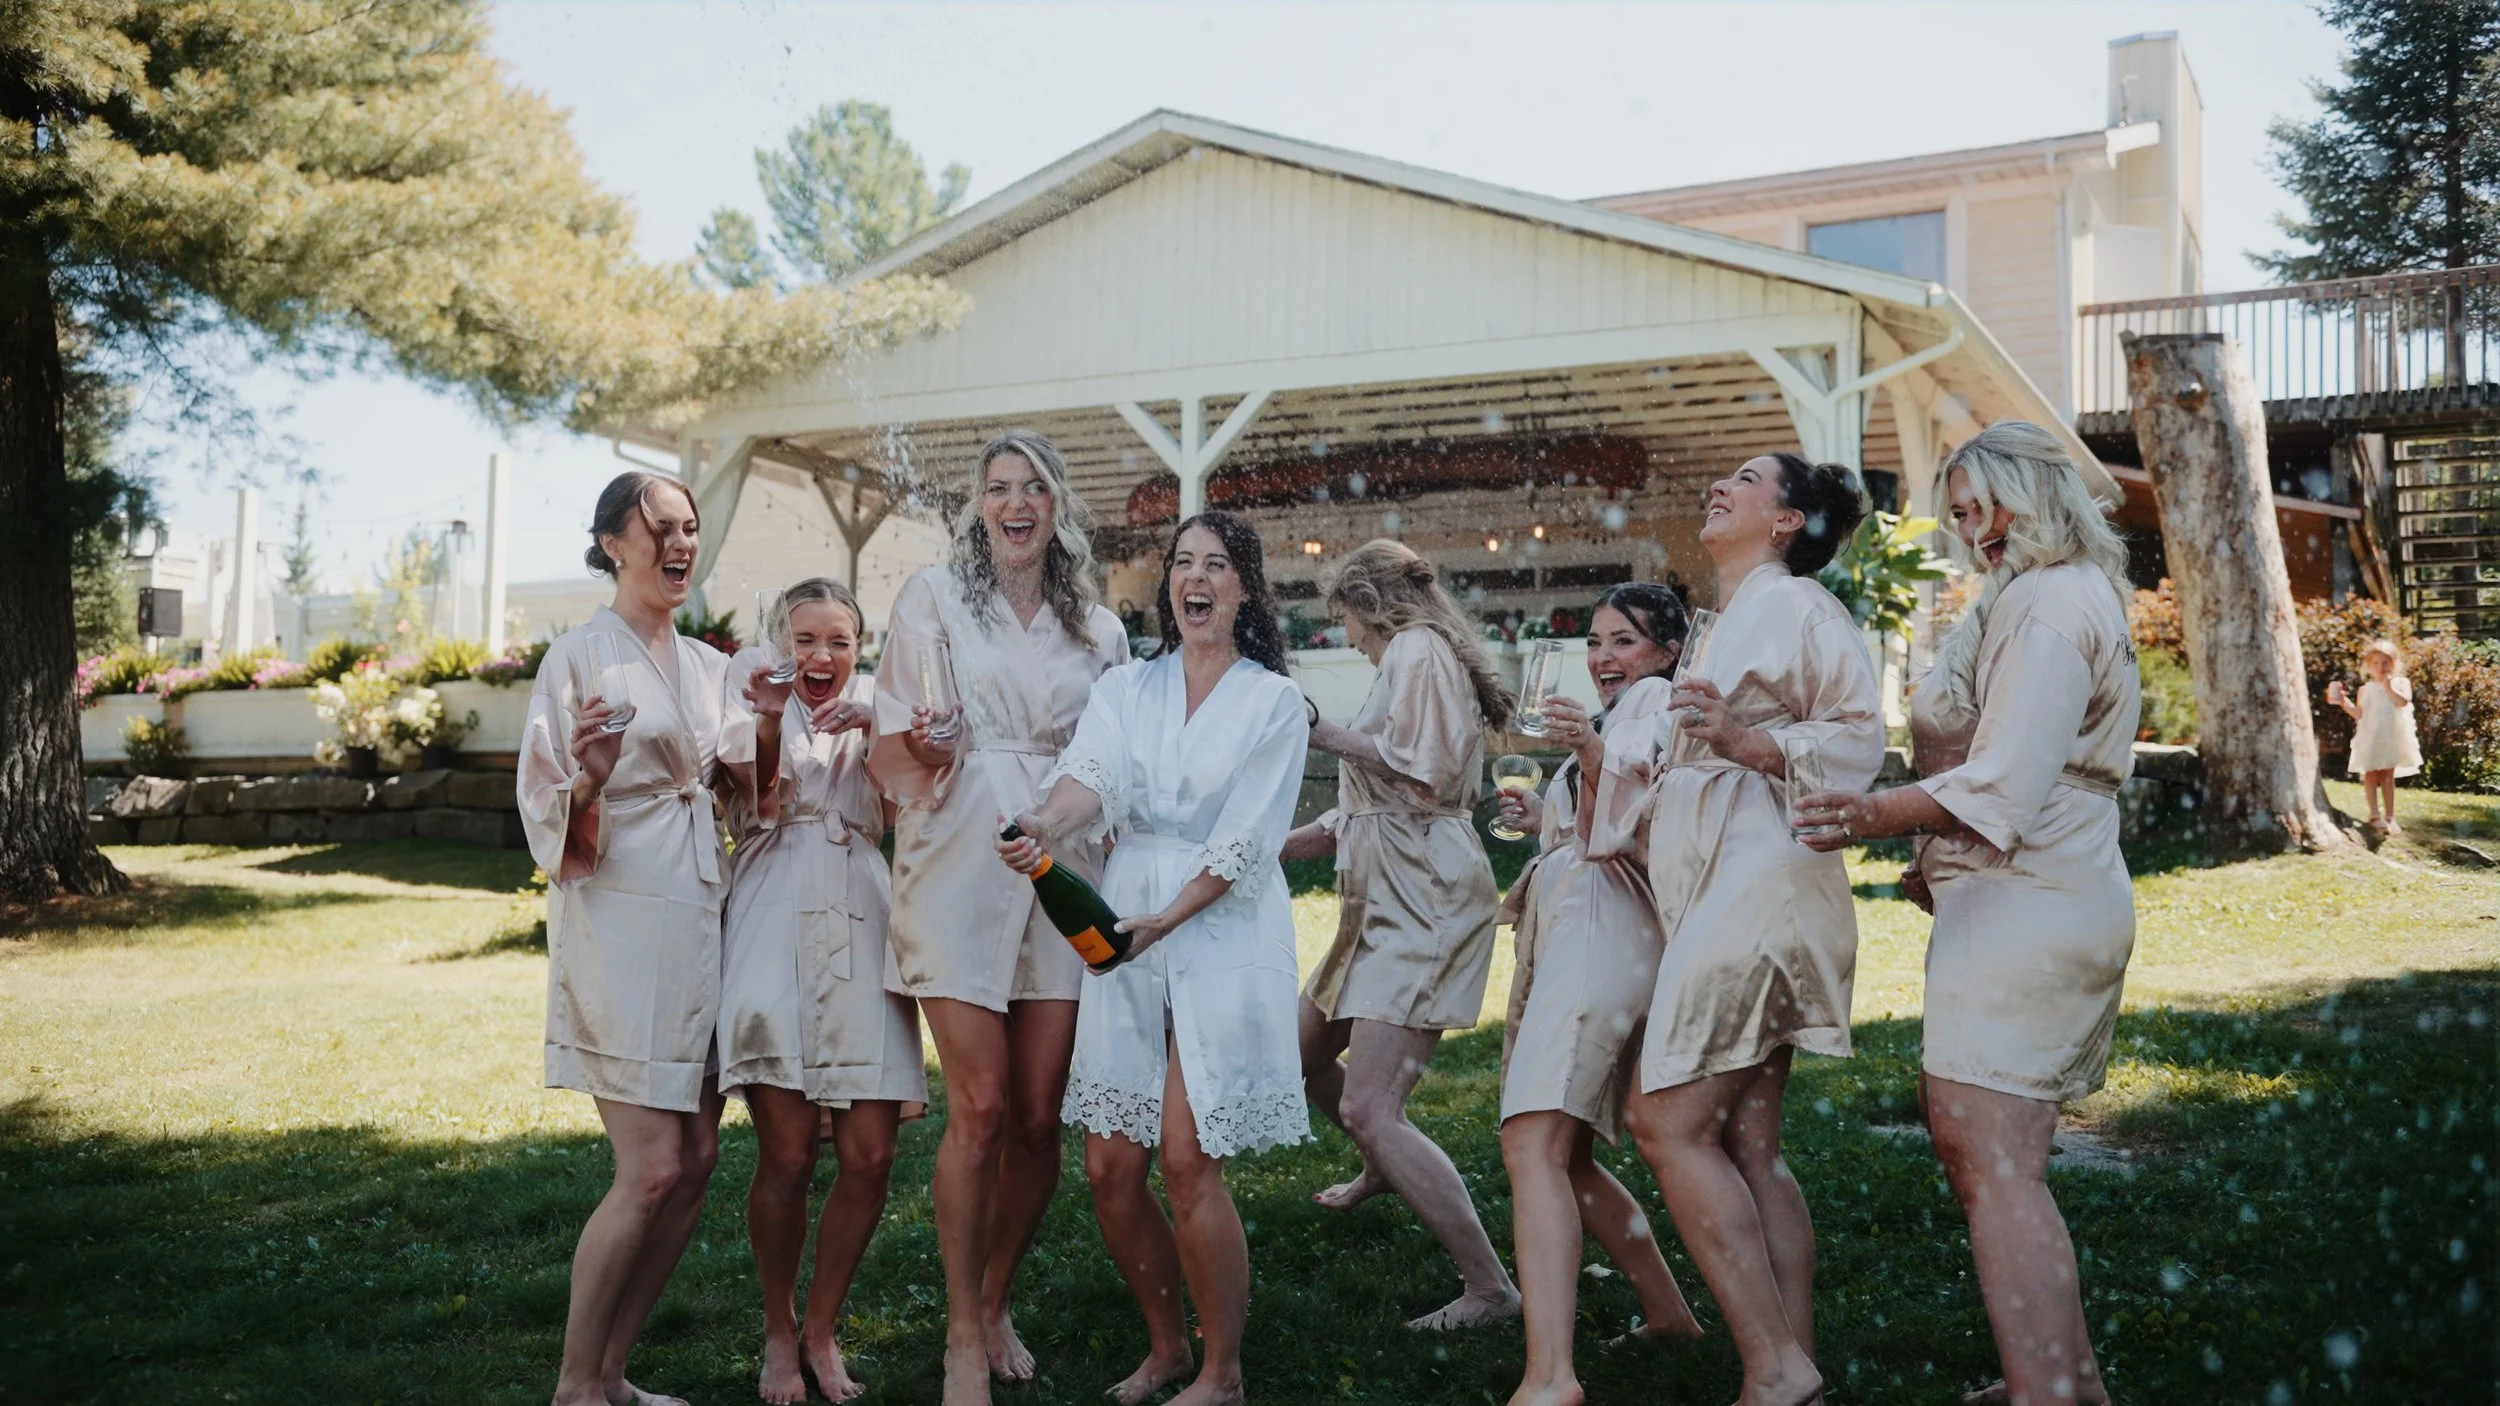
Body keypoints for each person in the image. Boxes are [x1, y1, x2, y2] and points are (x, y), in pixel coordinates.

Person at [1793, 420, 2140, 1406]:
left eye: (1979, 505)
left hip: (2034, 897)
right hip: (2018, 889)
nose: (1965, 527)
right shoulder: (2034, 593)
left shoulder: (2042, 601)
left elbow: (2006, 780)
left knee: (1989, 1156)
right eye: (1954, 512)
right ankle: (2066, 1377)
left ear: (2030, 495)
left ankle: (2044, 1390)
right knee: (1997, 1155)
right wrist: (1930, 854)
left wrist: (1871, 814)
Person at [997, 510, 1312, 1406]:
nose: (1195, 578)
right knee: (1108, 1166)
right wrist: (1040, 827)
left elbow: (1249, 842)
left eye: (1216, 565)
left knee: (1184, 1158)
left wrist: (1163, 920)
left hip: (1221, 923)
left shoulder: (1275, 702)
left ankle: (1225, 1371)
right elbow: (1087, 779)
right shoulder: (1129, 689)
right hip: (1129, 910)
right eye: (1182, 564)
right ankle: (1169, 1346)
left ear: (1245, 588)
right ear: (1167, 584)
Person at [1587, 452, 1880, 1406]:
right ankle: (1796, 1359)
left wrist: (1750, 743)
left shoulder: (1798, 606)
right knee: (1748, 1143)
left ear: (1788, 521)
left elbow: (1859, 737)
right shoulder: (1724, 624)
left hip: (1766, 888)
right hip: (1726, 889)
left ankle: (1775, 1368)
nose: (1722, 486)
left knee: (1664, 1120)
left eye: (1748, 480)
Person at [868, 430, 1130, 1406]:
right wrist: (929, 742)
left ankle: (994, 1293)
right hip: (956, 857)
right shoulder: (933, 598)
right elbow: (900, 727)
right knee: (975, 1109)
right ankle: (962, 1337)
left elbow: (1109, 762)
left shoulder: (1100, 631)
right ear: (977, 507)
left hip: (1061, 863)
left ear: (1058, 505)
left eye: (1032, 488)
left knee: (1034, 1120)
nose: (1014, 502)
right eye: (996, 488)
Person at [517, 471, 736, 1406]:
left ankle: (613, 1372)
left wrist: (766, 739)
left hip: (699, 910)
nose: (680, 544)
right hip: (618, 912)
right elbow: (540, 805)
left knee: (695, 1162)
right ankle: (574, 1383)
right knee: (648, 1167)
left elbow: (746, 799)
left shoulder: (709, 666)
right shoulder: (578, 656)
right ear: (612, 542)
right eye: (660, 529)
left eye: (690, 527)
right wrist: (593, 776)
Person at [1281, 538, 1522, 1330]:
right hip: (1385, 893)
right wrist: (1274, 846)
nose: (1344, 635)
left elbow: (1415, 776)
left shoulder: (1416, 650)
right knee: (1303, 1055)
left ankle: (1489, 1289)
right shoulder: (1415, 657)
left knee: (1370, 1104)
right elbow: (1376, 796)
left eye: (1343, 617)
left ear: (1367, 604)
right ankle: (1382, 1157)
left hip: (1424, 895)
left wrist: (1318, 729)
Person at [1493, 584, 1704, 1406]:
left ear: (1663, 652)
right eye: (1596, 642)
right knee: (1566, 1153)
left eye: (1623, 641)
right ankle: (1668, 1314)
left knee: (1531, 1142)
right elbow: (1584, 818)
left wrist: (1584, 750)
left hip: (1601, 938)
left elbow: (1640, 804)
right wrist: (1533, 810)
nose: (1604, 658)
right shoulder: (1622, 715)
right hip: (1584, 934)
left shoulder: (1654, 705)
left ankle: (1551, 1376)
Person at [719, 579, 928, 1405]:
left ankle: (822, 1327)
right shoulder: (746, 698)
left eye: (839, 641)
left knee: (871, 1154)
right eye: (806, 639)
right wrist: (771, 720)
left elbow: (917, 795)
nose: (822, 657)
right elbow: (754, 799)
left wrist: (882, 725)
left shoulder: (884, 705)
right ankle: (778, 1331)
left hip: (863, 912)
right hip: (772, 910)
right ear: (780, 643)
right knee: (790, 1152)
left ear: (859, 648)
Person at [2328, 639, 2421, 832]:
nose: (2381, 667)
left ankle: (2390, 816)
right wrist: (2344, 703)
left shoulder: (2401, 683)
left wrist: (2388, 687)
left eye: (2385, 662)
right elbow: (2359, 714)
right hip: (2371, 737)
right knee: (2370, 775)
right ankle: (2374, 815)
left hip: (2392, 737)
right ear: (2369, 666)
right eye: (2376, 663)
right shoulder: (2365, 689)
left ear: (2394, 663)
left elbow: (2402, 702)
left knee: (2387, 775)